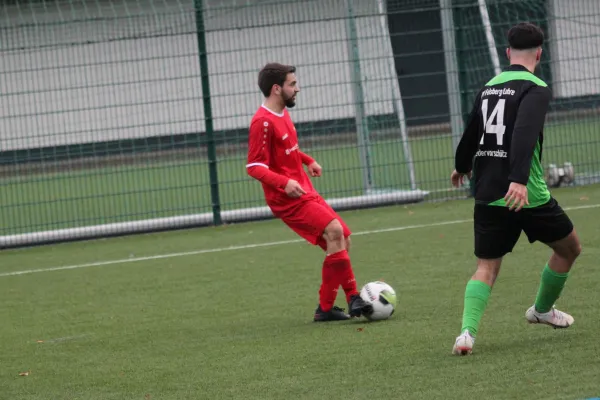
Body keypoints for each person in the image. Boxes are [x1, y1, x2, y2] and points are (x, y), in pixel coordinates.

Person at [450, 22, 582, 355]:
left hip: (487, 190)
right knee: (570, 248)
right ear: (540, 53)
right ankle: (540, 310)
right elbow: (524, 133)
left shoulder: (490, 86)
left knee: (486, 266)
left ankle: (466, 334)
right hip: (527, 194)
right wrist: (520, 180)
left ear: (508, 53)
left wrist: (462, 164)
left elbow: (473, 130)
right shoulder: (536, 88)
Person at [246, 62, 372, 322]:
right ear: (277, 88)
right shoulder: (262, 122)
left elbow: (287, 148)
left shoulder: (282, 113)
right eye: (292, 84)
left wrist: (306, 159)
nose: (297, 89)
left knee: (343, 241)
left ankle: (325, 309)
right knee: (334, 232)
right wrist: (283, 183)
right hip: (287, 199)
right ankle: (353, 297)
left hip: (303, 188)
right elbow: (254, 167)